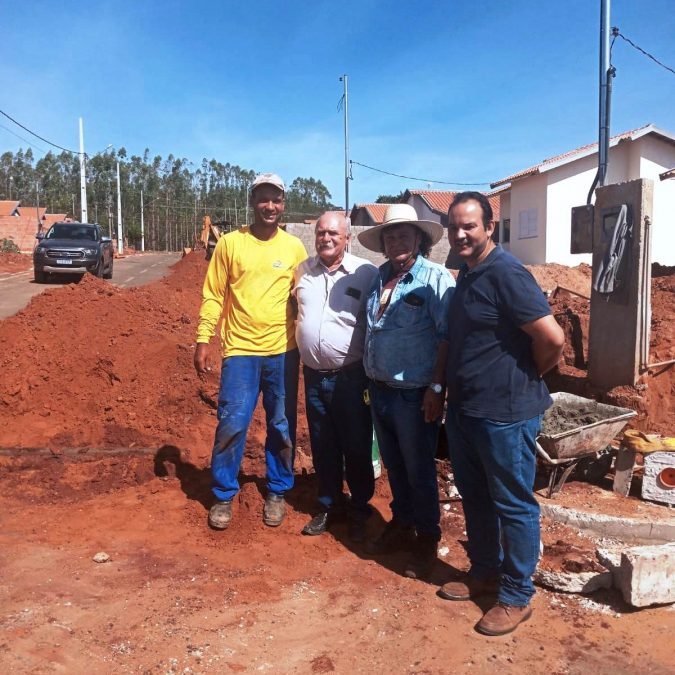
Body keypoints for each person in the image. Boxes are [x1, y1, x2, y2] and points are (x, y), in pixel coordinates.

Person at [438, 191, 564, 636]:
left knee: (513, 505)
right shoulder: (467, 275)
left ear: (490, 227)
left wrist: (527, 374)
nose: (460, 234)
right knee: (475, 497)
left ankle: (515, 595)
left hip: (506, 415)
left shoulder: (507, 273)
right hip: (468, 410)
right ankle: (485, 572)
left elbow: (551, 339)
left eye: (469, 225)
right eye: (454, 226)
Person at [194, 173, 307, 530]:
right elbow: (213, 293)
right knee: (233, 421)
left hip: (283, 351)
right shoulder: (230, 244)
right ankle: (224, 493)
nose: (270, 206)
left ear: (283, 204)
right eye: (263, 199)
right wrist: (203, 337)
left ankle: (277, 489)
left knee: (281, 423)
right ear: (252, 202)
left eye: (276, 199)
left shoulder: (293, 249)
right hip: (240, 351)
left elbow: (304, 297)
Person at [358, 203, 454, 579]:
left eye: (403, 235)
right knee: (396, 466)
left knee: (418, 469)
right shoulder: (379, 277)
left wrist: (436, 387)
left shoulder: (435, 278)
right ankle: (402, 522)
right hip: (379, 391)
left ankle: (427, 538)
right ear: (383, 244)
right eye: (390, 236)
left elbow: (447, 337)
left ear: (419, 239)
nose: (396, 241)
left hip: (415, 394)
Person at [294, 211, 379, 541]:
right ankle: (329, 505)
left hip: (351, 377)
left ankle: (360, 508)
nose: (326, 238)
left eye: (333, 233)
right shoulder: (302, 272)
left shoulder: (365, 273)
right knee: (323, 444)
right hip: (313, 376)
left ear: (347, 238)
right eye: (321, 232)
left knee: (356, 445)